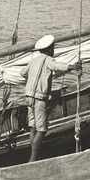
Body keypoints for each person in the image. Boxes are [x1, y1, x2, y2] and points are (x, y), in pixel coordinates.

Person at [25, 35, 80, 163]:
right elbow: (57, 66)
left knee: (32, 126)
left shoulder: (33, 61)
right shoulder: (48, 59)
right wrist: (71, 67)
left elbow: (23, 73)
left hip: (28, 97)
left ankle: (32, 154)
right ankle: (32, 160)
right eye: (53, 48)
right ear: (49, 49)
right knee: (42, 129)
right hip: (39, 98)